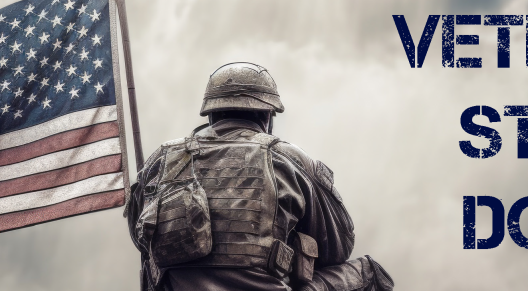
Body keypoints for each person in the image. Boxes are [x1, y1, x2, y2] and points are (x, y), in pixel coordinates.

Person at [124, 62, 393, 291]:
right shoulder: (287, 158)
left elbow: (141, 240)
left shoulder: (162, 159)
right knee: (369, 272)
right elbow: (338, 247)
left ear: (210, 114)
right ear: (267, 115)